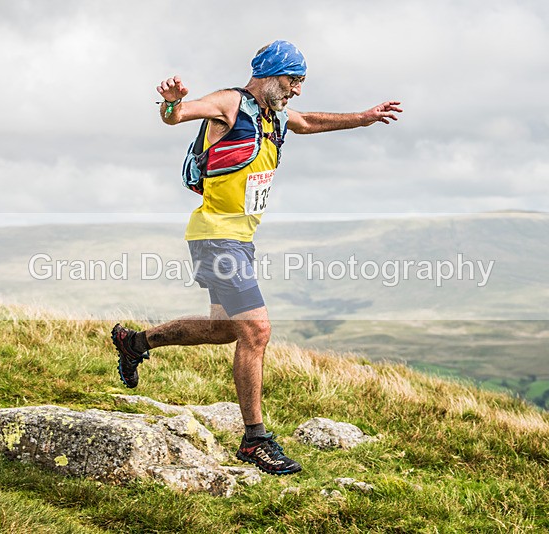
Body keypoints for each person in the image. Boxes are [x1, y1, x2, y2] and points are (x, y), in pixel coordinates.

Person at [111, 40, 402, 475]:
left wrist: (362, 118)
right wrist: (171, 105)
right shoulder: (231, 103)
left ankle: (135, 342)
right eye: (293, 81)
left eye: (302, 83)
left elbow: (307, 121)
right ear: (270, 74)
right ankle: (254, 440)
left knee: (223, 329)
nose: (297, 91)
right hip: (216, 238)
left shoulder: (275, 115)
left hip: (238, 240)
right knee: (257, 330)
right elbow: (182, 114)